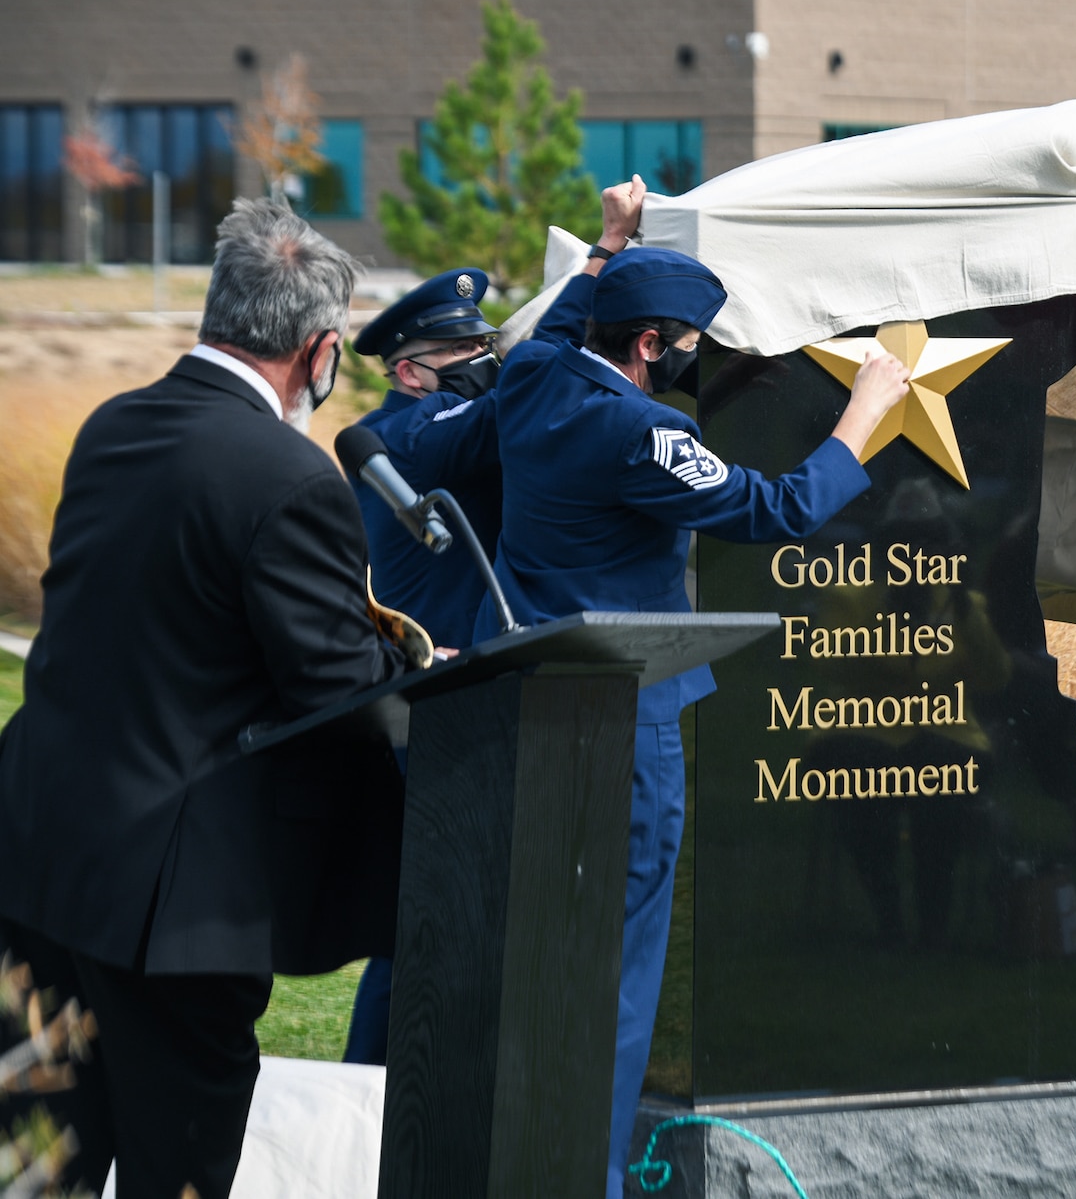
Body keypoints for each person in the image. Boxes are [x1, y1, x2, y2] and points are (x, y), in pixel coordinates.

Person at [483, 177, 911, 1198]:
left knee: (540, 949)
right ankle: (587, 1177)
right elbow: (775, 509)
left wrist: (610, 238)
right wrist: (864, 414)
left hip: (531, 704)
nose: (690, 361)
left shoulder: (534, 374)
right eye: (685, 344)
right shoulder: (640, 434)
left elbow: (566, 312)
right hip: (629, 718)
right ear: (651, 344)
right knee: (620, 968)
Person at [0, 199, 405, 1199]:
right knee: (178, 1165)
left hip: (39, 860)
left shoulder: (115, 426)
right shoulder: (291, 478)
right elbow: (339, 685)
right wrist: (413, 665)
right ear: (319, 351)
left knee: (39, 1156)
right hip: (167, 912)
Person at [339, 266, 506, 1066]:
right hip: (432, 705)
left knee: (445, 915)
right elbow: (514, 408)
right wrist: (592, 278)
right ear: (410, 371)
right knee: (423, 920)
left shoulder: (448, 417)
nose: (484, 357)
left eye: (487, 341)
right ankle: (371, 1096)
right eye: (464, 348)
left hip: (469, 698)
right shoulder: (408, 431)